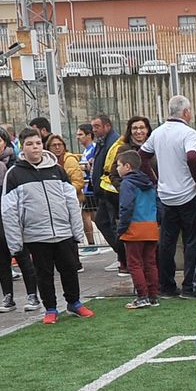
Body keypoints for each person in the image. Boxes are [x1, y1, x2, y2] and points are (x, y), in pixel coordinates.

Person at [4, 128, 92, 325]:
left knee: (69, 268)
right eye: (29, 144)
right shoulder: (14, 175)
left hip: (63, 232)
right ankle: (50, 308)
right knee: (44, 274)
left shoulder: (57, 170)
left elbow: (71, 200)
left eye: (37, 143)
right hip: (36, 235)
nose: (35, 147)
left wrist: (77, 230)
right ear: (22, 147)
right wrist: (15, 242)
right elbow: (9, 211)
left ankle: (74, 302)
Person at [141, 96, 196, 299]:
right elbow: (192, 156)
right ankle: (190, 285)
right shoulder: (188, 133)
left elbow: (142, 155)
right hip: (187, 194)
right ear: (186, 112)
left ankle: (166, 285)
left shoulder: (158, 133)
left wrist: (155, 179)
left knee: (167, 242)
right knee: (193, 240)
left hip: (166, 195)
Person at [0, 125, 40, 314]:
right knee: (1, 260)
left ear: (5, 141)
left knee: (21, 256)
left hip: (14, 216)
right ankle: (8, 296)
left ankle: (32, 294)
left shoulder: (16, 163)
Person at [111, 148, 161, 307]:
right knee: (150, 263)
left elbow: (126, 206)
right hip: (151, 226)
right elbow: (158, 204)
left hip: (134, 227)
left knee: (134, 263)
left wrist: (122, 228)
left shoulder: (127, 183)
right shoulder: (149, 181)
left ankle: (142, 296)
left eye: (118, 165)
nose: (117, 169)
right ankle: (153, 296)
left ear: (127, 166)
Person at [87, 114, 126, 274]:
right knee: (104, 222)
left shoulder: (114, 143)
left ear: (107, 126)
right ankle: (122, 256)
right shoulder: (102, 143)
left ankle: (123, 257)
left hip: (109, 192)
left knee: (110, 223)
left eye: (97, 126)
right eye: (93, 127)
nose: (94, 130)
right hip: (103, 191)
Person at [74, 123, 98, 245]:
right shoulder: (86, 150)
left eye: (80, 134)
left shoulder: (93, 148)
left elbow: (92, 166)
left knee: (86, 214)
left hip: (91, 187)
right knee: (94, 216)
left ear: (89, 135)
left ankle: (91, 243)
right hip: (87, 188)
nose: (78, 137)